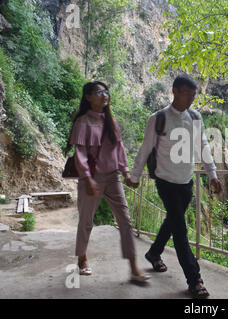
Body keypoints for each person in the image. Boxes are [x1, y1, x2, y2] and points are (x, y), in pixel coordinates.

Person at [128, 75, 222, 298]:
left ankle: (153, 253)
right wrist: (135, 175)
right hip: (165, 181)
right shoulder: (158, 118)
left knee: (173, 220)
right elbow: (145, 149)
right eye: (187, 93)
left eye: (193, 95)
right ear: (175, 91)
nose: (191, 98)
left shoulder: (195, 117)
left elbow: (203, 145)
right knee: (180, 231)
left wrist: (212, 175)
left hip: (186, 182)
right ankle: (194, 279)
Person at [65, 81, 150, 282]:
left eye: (106, 91)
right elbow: (80, 153)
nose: (104, 95)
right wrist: (86, 178)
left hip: (113, 178)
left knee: (125, 221)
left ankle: (134, 268)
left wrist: (126, 173)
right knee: (86, 221)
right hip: (91, 179)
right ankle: (82, 259)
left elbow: (119, 150)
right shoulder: (83, 122)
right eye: (99, 92)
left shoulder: (111, 121)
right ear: (88, 97)